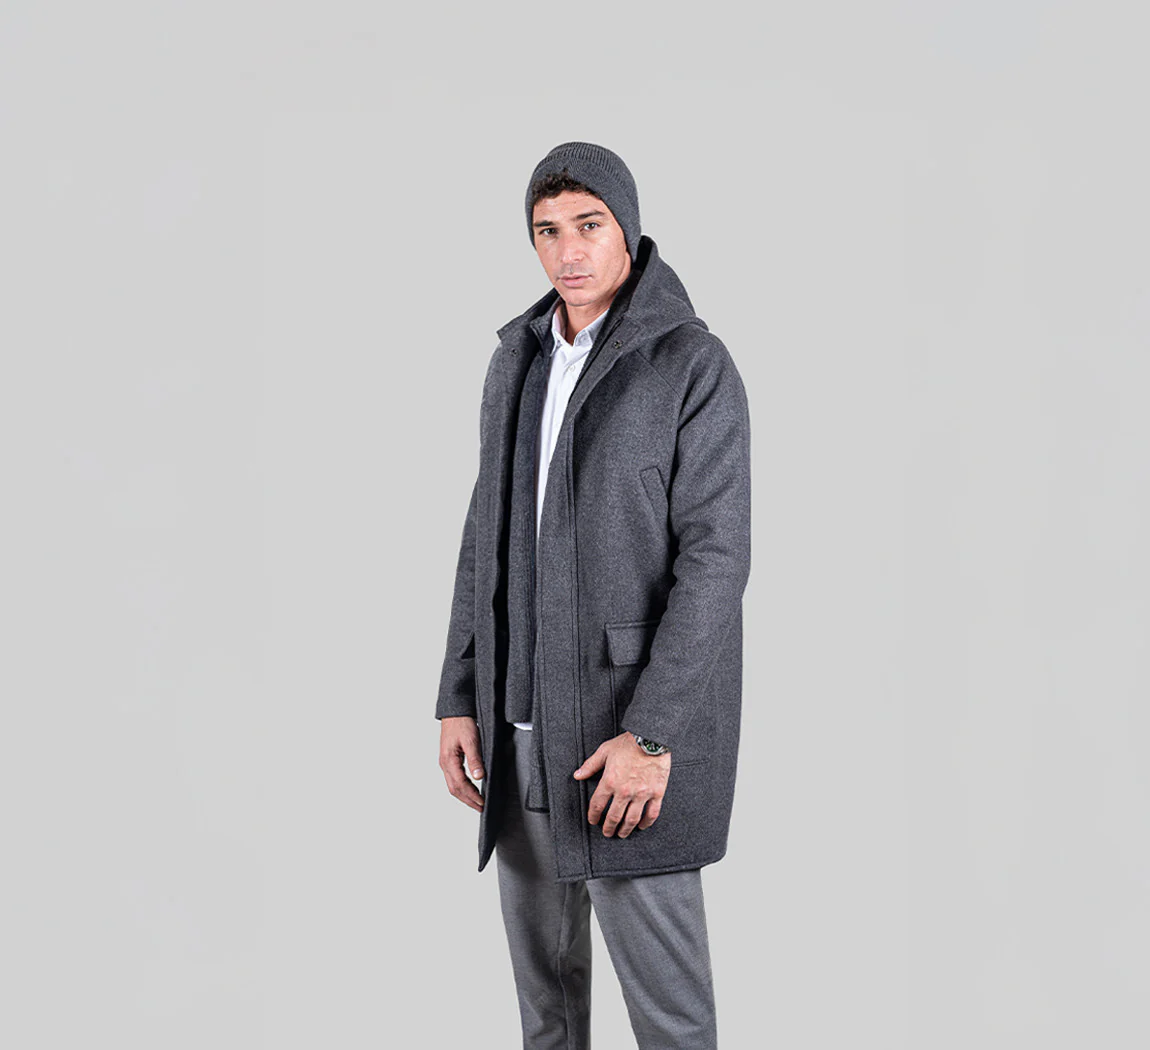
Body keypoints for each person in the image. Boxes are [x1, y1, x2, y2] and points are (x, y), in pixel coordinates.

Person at [435, 140, 751, 1049]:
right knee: (548, 1015)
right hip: (520, 731)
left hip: (625, 739)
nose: (568, 252)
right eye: (547, 231)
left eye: (589, 225)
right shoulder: (520, 360)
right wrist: (460, 695)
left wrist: (652, 736)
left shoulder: (691, 364)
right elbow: (485, 534)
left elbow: (717, 561)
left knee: (670, 1022)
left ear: (628, 229)